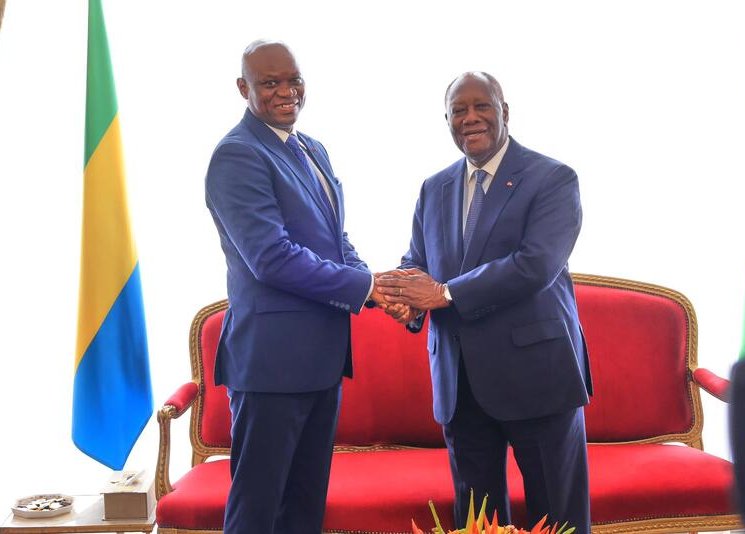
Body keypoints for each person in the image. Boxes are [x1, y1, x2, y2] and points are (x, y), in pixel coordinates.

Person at [376, 71, 593, 533]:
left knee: (559, 518)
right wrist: (405, 300)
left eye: (481, 106)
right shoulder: (434, 188)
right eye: (458, 110)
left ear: (504, 112)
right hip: (460, 384)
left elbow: (535, 265)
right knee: (475, 522)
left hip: (536, 377)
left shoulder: (552, 178)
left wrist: (443, 293)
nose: (469, 117)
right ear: (447, 120)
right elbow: (417, 261)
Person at [205, 40, 386, 534]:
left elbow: (333, 238)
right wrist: (367, 287)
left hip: (320, 361)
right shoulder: (238, 155)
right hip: (271, 365)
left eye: (294, 80)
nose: (286, 92)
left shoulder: (311, 148)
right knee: (258, 512)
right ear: (243, 88)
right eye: (270, 83)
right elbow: (272, 259)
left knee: (304, 509)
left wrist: (376, 284)